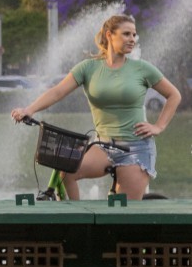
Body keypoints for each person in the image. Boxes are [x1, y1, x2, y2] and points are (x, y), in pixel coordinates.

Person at [12, 14, 181, 200]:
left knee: (123, 214)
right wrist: (29, 110)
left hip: (135, 149)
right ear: (109, 35)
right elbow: (57, 92)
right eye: (126, 34)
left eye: (134, 35)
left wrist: (158, 126)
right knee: (67, 173)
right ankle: (80, 221)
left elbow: (173, 95)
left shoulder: (142, 68)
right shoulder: (88, 68)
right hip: (102, 146)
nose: (132, 39)